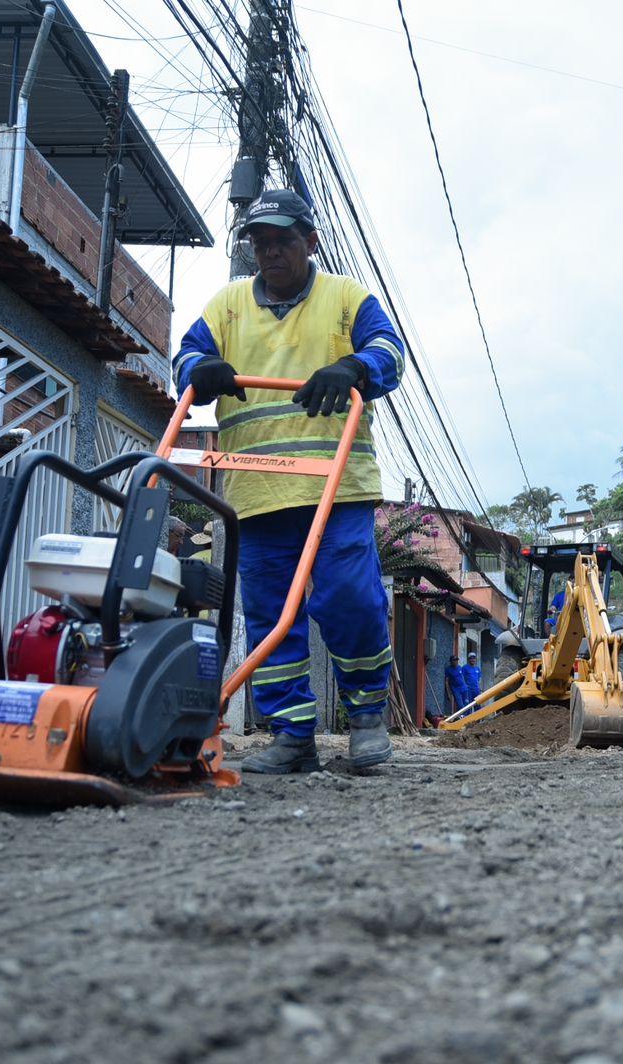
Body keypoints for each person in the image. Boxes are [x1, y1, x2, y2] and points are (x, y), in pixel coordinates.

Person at [171, 188, 405, 774]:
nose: (270, 253)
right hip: (256, 492)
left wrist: (355, 366)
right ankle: (292, 732)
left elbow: (389, 353)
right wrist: (200, 369)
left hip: (337, 489)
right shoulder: (226, 307)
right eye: (261, 243)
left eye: (283, 241)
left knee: (350, 598)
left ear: (310, 242)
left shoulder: (346, 299)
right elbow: (184, 359)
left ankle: (367, 717)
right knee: (272, 613)